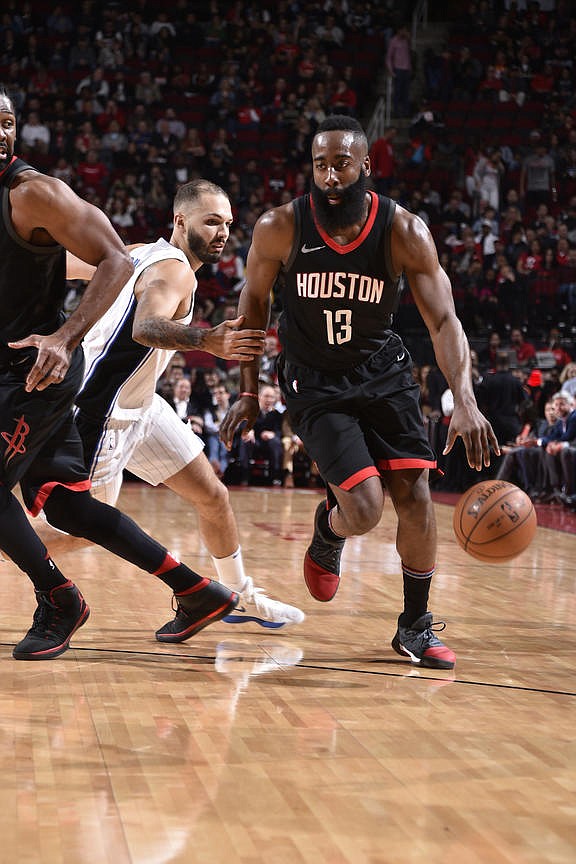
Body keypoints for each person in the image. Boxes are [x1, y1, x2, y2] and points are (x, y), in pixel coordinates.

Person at [220, 115, 499, 671]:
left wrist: (464, 401)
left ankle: (414, 626)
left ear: (365, 165)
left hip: (383, 371)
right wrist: (248, 393)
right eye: (320, 165)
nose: (329, 176)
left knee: (415, 497)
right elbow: (252, 310)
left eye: (341, 164)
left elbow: (444, 322)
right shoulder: (279, 227)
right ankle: (330, 527)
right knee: (367, 511)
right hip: (314, 379)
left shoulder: (403, 231)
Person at [0, 92, 239, 660]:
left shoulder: (36, 192)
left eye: (7, 122)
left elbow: (114, 259)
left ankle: (58, 598)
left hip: (35, 373)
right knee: (70, 507)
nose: (1, 133)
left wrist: (65, 336)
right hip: (33, 378)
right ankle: (196, 589)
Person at [68, 179, 304, 629]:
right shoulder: (175, 270)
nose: (222, 232)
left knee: (212, 495)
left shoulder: (136, 250)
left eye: (228, 224)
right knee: (79, 532)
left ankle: (238, 597)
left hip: (143, 405)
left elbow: (70, 264)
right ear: (180, 221)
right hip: (104, 413)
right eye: (211, 221)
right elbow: (145, 326)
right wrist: (205, 340)